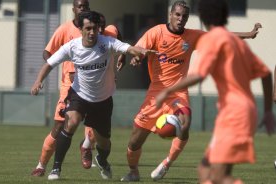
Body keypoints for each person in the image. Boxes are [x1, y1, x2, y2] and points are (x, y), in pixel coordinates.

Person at [120, 0, 263, 182]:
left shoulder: (192, 36)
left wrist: (249, 35)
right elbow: (140, 48)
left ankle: (166, 163)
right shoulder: (156, 32)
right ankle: (133, 171)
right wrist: (137, 57)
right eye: (177, 15)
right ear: (170, 15)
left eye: (184, 16)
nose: (181, 19)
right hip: (155, 93)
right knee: (134, 142)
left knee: (185, 124)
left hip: (178, 93)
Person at [155, 0, 275, 183]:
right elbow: (266, 74)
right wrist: (267, 111)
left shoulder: (214, 41)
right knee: (205, 171)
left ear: (202, 17)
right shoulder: (236, 43)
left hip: (234, 113)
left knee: (217, 175)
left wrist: (167, 90)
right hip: (244, 111)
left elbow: (199, 75)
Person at [31, 11, 157, 181]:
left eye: (95, 29)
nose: (92, 32)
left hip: (102, 100)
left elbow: (127, 48)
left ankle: (102, 160)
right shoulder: (71, 47)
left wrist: (140, 51)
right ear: (81, 30)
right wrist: (38, 81)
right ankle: (56, 169)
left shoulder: (107, 43)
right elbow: (49, 63)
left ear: (99, 29)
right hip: (79, 95)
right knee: (70, 124)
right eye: (88, 28)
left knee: (104, 143)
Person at [31, 0, 90, 177]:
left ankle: (86, 146)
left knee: (96, 128)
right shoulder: (65, 29)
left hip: (91, 86)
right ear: (73, 9)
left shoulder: (95, 29)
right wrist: (57, 62)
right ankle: (42, 165)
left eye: (86, 6)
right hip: (69, 87)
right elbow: (47, 52)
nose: (83, 9)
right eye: (80, 6)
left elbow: (113, 38)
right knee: (58, 127)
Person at [79, 11, 126, 169]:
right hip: (87, 87)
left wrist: (122, 56)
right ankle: (86, 146)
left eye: (101, 25)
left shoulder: (110, 33)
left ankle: (87, 145)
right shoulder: (87, 40)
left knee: (100, 123)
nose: (98, 29)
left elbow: (119, 37)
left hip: (107, 84)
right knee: (94, 119)